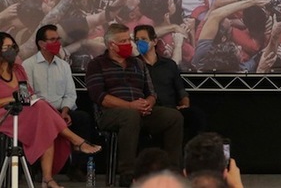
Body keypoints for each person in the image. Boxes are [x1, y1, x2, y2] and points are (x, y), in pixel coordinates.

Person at [85, 23, 184, 187]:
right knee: (129, 116)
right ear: (112, 45)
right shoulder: (97, 64)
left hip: (141, 111)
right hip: (110, 114)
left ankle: (173, 171)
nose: (129, 44)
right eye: (124, 41)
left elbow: (152, 92)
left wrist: (148, 104)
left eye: (129, 40)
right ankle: (127, 173)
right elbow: (99, 96)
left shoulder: (138, 64)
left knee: (173, 117)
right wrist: (130, 106)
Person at [0, 32, 101, 188]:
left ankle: (48, 178)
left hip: (21, 112)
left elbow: (27, 94)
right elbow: (14, 98)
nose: (11, 50)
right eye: (7, 47)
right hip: (4, 115)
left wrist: (28, 99)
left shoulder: (18, 70)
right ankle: (75, 141)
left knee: (44, 118)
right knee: (43, 111)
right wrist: (12, 99)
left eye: (13, 46)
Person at [22, 24, 95, 181]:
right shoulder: (28, 65)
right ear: (41, 44)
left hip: (62, 111)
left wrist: (65, 110)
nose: (57, 43)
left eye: (58, 39)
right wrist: (52, 113)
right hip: (39, 113)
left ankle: (76, 168)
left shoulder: (63, 65)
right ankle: (38, 169)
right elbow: (29, 95)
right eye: (53, 39)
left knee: (83, 118)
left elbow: (70, 93)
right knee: (42, 120)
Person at [135, 25, 206, 143]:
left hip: (172, 109)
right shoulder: (134, 65)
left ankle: (193, 154)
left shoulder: (169, 65)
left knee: (196, 115)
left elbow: (181, 92)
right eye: (137, 40)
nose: (139, 43)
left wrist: (185, 104)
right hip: (149, 112)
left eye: (143, 39)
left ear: (154, 41)